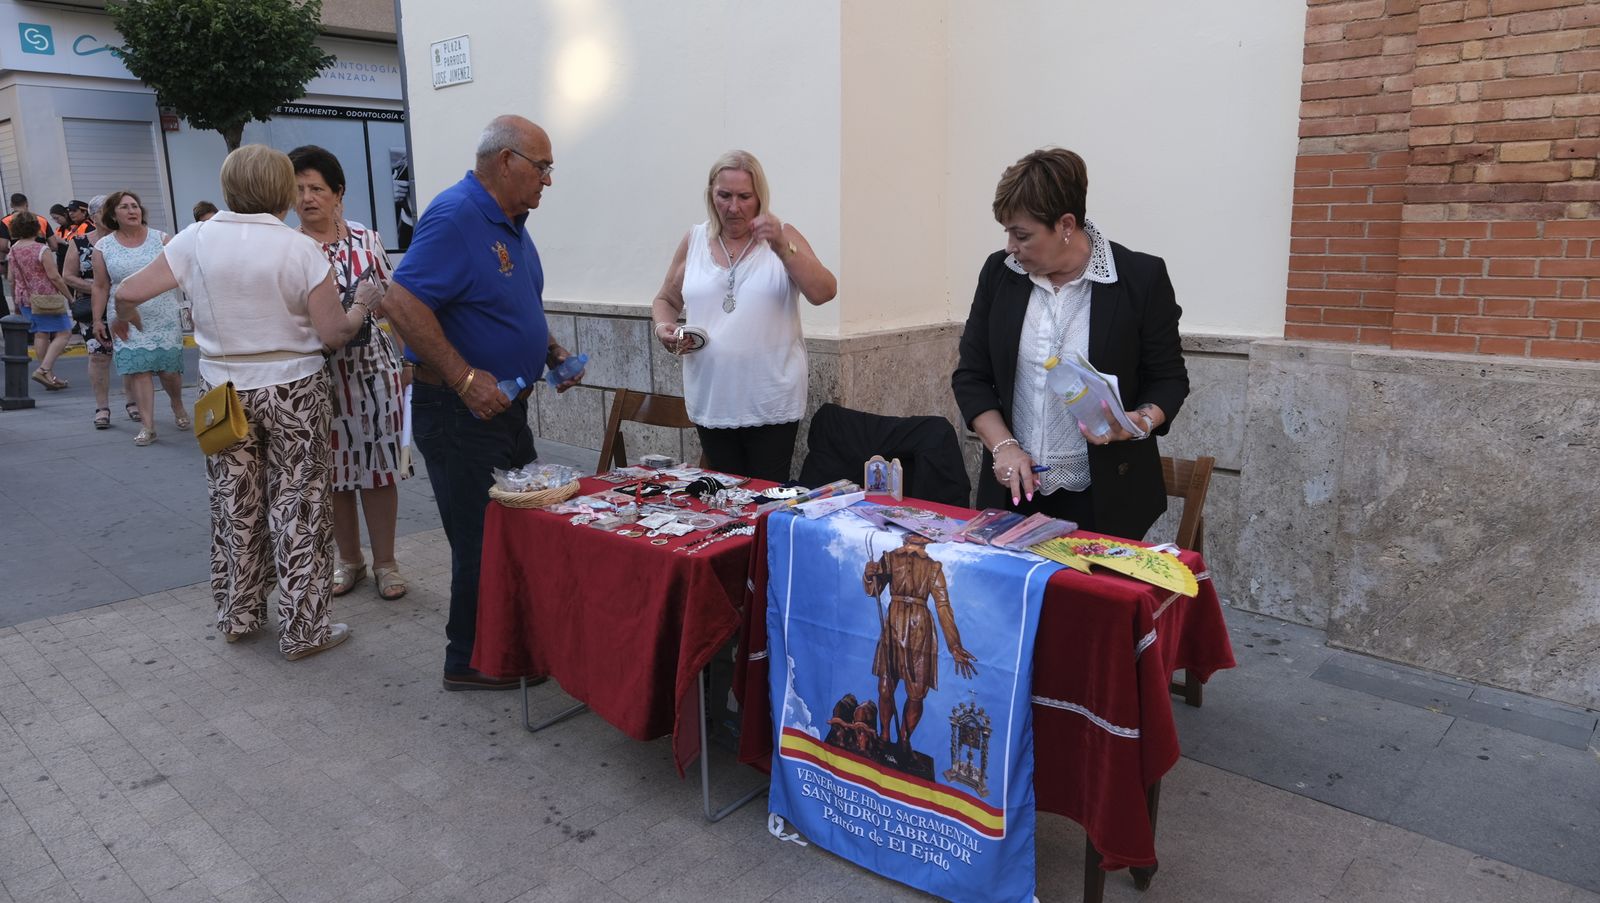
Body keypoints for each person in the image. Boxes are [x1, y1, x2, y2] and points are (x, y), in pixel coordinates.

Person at [112, 144, 372, 660]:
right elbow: (335, 332)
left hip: (223, 390)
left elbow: (129, 289)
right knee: (300, 505)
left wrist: (123, 315)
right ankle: (304, 630)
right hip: (294, 386)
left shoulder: (196, 239)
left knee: (235, 504)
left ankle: (239, 613)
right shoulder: (299, 250)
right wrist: (364, 302)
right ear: (281, 190)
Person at [382, 114, 582, 691]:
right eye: (542, 167)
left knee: (515, 530)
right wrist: (467, 377)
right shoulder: (457, 215)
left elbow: (509, 302)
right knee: (481, 536)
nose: (548, 180)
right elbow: (401, 302)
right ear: (505, 162)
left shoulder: (512, 221)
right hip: (459, 411)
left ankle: (508, 642)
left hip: (504, 408)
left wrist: (548, 350)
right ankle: (467, 660)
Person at [952, 147, 1189, 541]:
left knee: (1091, 604)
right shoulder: (1000, 273)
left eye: (1022, 234)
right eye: (1007, 232)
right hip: (1012, 491)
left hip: (1106, 498)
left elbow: (1168, 379)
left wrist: (1139, 422)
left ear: (1065, 224)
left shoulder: (1140, 278)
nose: (1011, 245)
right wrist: (1004, 447)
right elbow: (971, 377)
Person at [649, 150, 837, 482]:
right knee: (723, 496)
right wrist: (665, 328)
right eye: (724, 195)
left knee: (764, 498)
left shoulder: (783, 238)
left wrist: (781, 245)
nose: (733, 207)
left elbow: (824, 291)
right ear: (711, 193)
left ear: (759, 196)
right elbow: (666, 299)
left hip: (770, 401)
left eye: (744, 197)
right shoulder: (694, 240)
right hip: (712, 399)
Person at [290, 144, 412, 601]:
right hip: (319, 374)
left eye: (317, 188)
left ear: (338, 193)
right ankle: (350, 561)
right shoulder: (290, 246)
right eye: (299, 189)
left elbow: (393, 300)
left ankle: (386, 562)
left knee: (380, 469)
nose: (307, 198)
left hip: (374, 370)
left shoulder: (366, 238)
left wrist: (407, 359)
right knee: (336, 474)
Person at [862, 533, 976, 761]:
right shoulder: (889, 558)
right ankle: (884, 735)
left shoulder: (933, 567)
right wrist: (869, 574)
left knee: (916, 694)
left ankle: (904, 739)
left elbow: (943, 605)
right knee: (885, 687)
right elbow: (874, 591)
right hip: (893, 626)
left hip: (920, 631)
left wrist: (954, 645)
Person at [91, 190, 186, 446]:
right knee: (139, 369)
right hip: (124, 317)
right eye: (125, 207)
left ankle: (177, 405)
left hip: (163, 313)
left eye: (135, 205)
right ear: (113, 214)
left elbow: (183, 272)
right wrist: (97, 319)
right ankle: (148, 426)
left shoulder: (162, 239)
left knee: (168, 372)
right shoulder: (103, 246)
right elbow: (100, 286)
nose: (133, 210)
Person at [8, 215, 74, 389]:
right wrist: (69, 296)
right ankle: (44, 370)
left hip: (25, 298)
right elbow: (54, 277)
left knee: (41, 334)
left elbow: (11, 278)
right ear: (37, 228)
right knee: (64, 333)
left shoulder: (13, 249)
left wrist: (16, 303)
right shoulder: (41, 249)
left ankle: (49, 377)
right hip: (47, 298)